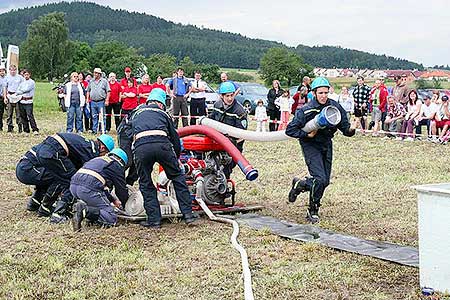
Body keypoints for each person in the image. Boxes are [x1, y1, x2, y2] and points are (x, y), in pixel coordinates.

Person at [286, 77, 355, 224]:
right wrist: (306, 134)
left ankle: (300, 185)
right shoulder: (306, 110)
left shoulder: (334, 107)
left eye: (326, 92)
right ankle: (313, 210)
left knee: (325, 182)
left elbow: (345, 128)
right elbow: (290, 130)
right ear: (314, 93)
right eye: (320, 93)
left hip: (326, 143)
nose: (324, 95)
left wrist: (351, 129)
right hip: (310, 144)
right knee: (319, 179)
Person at [130, 89, 197, 228]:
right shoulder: (163, 113)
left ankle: (154, 221)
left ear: (148, 102)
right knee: (178, 177)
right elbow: (175, 138)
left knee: (146, 183)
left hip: (141, 148)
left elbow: (126, 133)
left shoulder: (136, 113)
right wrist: (176, 158)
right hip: (162, 146)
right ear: (161, 104)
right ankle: (188, 216)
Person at [36, 133, 115, 223]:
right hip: (54, 152)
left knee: (59, 179)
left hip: (42, 150)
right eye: (105, 153)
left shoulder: (86, 144)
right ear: (102, 148)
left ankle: (44, 208)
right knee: (73, 181)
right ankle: (58, 214)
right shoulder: (91, 152)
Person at [71, 148, 129, 231]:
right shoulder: (116, 165)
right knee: (111, 217)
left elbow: (103, 188)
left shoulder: (98, 159)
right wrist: (126, 204)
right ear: (121, 161)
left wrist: (113, 200)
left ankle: (89, 215)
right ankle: (84, 210)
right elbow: (121, 190)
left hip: (74, 185)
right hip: (88, 187)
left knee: (95, 204)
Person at [208, 82, 248, 179]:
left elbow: (241, 134)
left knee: (225, 173)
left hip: (232, 148)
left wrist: (229, 142)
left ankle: (224, 190)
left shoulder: (239, 111)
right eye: (227, 96)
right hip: (216, 144)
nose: (230, 98)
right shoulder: (217, 106)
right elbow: (210, 120)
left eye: (232, 95)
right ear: (221, 96)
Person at [16, 144, 59, 214]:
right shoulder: (56, 148)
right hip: (27, 169)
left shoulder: (50, 144)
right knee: (59, 176)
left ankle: (34, 202)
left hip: (23, 167)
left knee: (47, 176)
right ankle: (46, 207)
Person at [86, 68, 110, 134]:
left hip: (101, 101)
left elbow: (108, 91)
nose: (95, 74)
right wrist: (87, 99)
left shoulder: (104, 81)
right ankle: (94, 130)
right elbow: (88, 90)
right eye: (94, 73)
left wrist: (107, 100)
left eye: (96, 73)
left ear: (99, 74)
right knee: (94, 116)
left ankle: (103, 130)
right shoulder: (91, 81)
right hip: (93, 101)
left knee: (102, 117)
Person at [16, 69, 39, 134]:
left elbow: (26, 89)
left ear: (29, 75)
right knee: (23, 116)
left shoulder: (32, 82)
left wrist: (20, 91)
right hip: (21, 101)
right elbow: (17, 90)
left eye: (27, 75)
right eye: (25, 75)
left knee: (30, 115)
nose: (26, 76)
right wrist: (20, 91)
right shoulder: (22, 82)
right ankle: (26, 130)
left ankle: (35, 129)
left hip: (28, 101)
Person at [4, 64, 24, 133]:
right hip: (10, 96)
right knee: (9, 113)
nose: (13, 71)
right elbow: (5, 88)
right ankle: (10, 127)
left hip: (17, 96)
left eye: (14, 70)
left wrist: (22, 96)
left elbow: (23, 87)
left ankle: (20, 127)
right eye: (11, 70)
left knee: (18, 113)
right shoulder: (7, 77)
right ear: (9, 70)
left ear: (16, 70)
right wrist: (5, 97)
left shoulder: (20, 78)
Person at [0, 65, 7, 131]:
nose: (2, 72)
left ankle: (10, 127)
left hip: (7, 97)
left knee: (8, 113)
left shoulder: (7, 78)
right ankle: (0, 127)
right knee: (0, 113)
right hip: (0, 97)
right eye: (0, 71)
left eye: (3, 71)